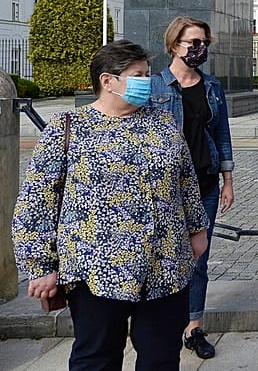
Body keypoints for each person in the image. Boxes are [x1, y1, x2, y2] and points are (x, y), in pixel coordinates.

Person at [13, 40, 209, 370]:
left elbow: (186, 180)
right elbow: (36, 201)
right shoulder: (68, 128)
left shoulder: (162, 123)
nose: (146, 81)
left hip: (164, 266)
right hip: (97, 270)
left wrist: (196, 228)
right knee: (96, 357)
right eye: (138, 75)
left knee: (161, 357)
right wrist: (41, 265)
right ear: (108, 81)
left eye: (147, 74)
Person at [150, 16, 235, 360]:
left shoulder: (212, 86)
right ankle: (158, 322)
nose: (200, 49)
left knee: (199, 259)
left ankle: (192, 327)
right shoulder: (155, 87)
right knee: (162, 256)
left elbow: (222, 135)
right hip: (165, 188)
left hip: (205, 184)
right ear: (174, 46)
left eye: (204, 43)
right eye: (193, 43)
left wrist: (228, 180)